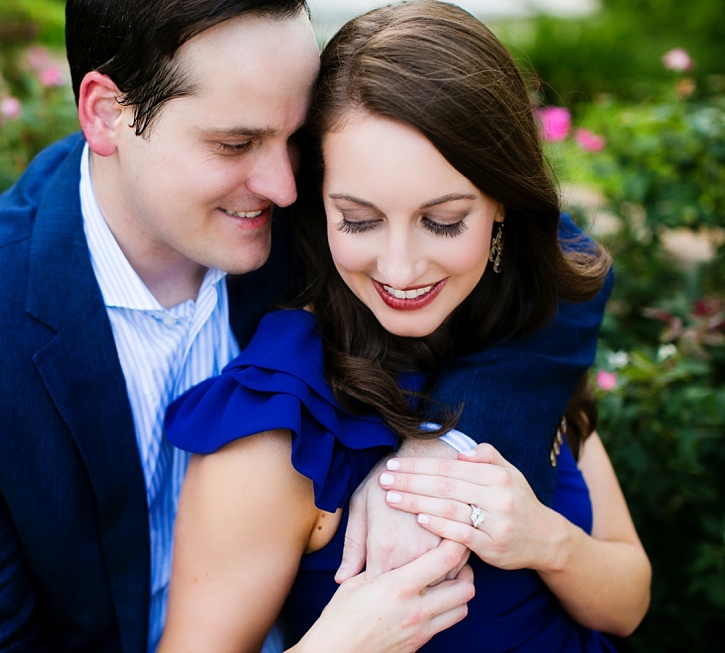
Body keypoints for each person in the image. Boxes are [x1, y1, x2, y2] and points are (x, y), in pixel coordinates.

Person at [0, 1, 607, 651]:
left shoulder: (327, 220)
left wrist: (443, 445)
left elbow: (547, 243)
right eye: (235, 144)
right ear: (107, 114)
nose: (284, 186)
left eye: (296, 138)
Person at [162, 2, 650, 651]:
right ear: (317, 201)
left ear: (501, 199)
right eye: (359, 220)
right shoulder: (281, 418)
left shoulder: (522, 345)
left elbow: (629, 602)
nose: (400, 268)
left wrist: (545, 539)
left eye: (443, 220)